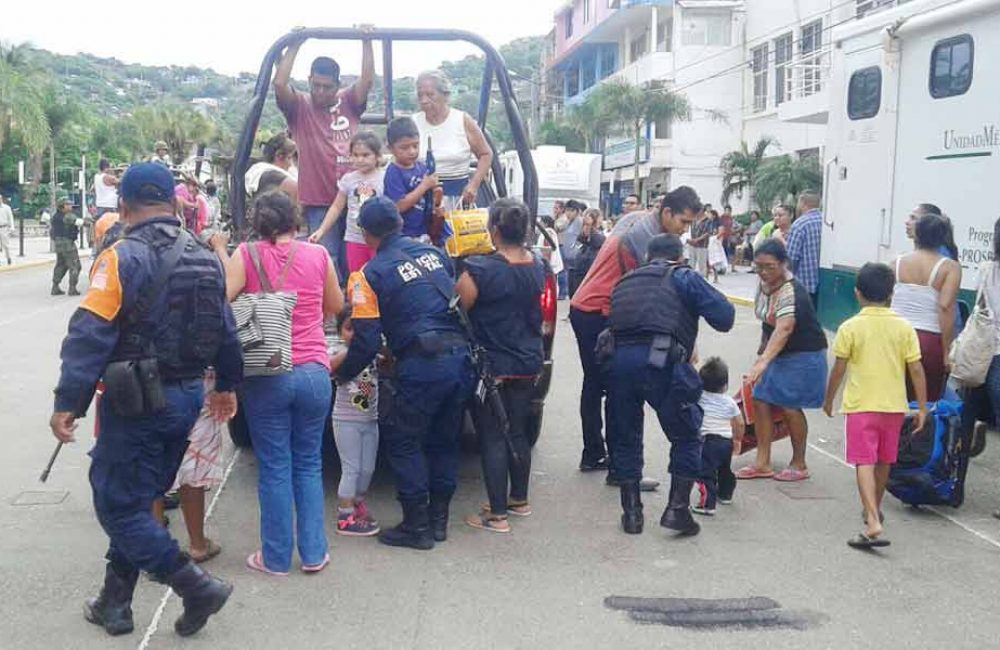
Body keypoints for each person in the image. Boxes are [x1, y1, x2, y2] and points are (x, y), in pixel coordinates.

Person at [49, 162, 242, 638]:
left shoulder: (120, 256)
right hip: (184, 399)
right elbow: (226, 330)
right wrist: (227, 385)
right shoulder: (204, 256)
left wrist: (68, 402)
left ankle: (194, 586)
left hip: (135, 402)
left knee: (117, 505)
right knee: (138, 499)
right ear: (175, 204)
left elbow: (89, 333)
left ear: (125, 206)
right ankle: (114, 603)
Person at [216, 190, 344, 575]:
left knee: (274, 466)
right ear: (297, 220)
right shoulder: (319, 255)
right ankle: (313, 553)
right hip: (313, 371)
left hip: (266, 372)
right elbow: (336, 307)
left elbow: (224, 300)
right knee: (308, 463)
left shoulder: (247, 255)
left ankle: (274, 558)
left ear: (258, 223)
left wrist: (224, 254)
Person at [337, 197, 475, 550]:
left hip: (422, 364)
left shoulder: (366, 275)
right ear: (399, 224)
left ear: (366, 234)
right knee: (444, 440)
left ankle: (416, 526)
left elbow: (366, 340)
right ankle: (439, 522)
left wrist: (342, 375)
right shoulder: (436, 255)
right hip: (461, 359)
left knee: (402, 439)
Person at [605, 233, 736, 536]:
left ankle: (632, 515)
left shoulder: (625, 282)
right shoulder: (683, 276)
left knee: (625, 436)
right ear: (680, 257)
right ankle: (677, 510)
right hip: (662, 362)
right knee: (688, 434)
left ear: (647, 258)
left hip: (620, 365)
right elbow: (725, 317)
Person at [570, 187, 704, 476]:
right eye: (683, 222)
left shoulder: (639, 219)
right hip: (599, 310)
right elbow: (659, 291)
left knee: (596, 385)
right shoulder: (646, 239)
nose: (684, 231)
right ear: (666, 213)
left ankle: (595, 454)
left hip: (587, 306)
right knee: (622, 387)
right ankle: (621, 468)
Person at [454, 198, 546, 533]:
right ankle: (518, 499)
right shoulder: (537, 264)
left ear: (493, 229)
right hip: (527, 360)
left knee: (492, 436)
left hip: (493, 364)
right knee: (517, 430)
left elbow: (459, 307)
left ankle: (496, 515)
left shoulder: (479, 269)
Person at [824, 262, 928, 548]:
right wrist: (921, 407)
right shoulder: (905, 327)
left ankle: (872, 520)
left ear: (857, 293)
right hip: (893, 407)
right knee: (884, 461)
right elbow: (916, 370)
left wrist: (829, 399)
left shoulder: (850, 328)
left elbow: (839, 369)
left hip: (861, 406)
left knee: (864, 461)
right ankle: (874, 507)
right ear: (891, 294)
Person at [274, 31, 375, 279]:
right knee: (327, 259)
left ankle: (355, 311)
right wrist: (295, 44)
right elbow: (279, 84)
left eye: (326, 87)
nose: (320, 92)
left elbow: (367, 81)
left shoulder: (348, 101)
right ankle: (330, 313)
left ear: (337, 85)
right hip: (320, 200)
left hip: (354, 197)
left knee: (357, 259)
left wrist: (366, 40)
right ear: (309, 81)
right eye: (315, 85)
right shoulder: (299, 106)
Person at [736, 238, 828, 481]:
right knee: (760, 400)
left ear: (783, 263)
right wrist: (761, 356)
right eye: (759, 266)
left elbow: (784, 328)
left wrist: (763, 362)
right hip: (778, 352)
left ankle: (799, 464)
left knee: (789, 405)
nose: (764, 272)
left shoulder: (791, 290)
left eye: (770, 266)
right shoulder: (763, 284)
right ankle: (762, 462)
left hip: (803, 354)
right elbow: (768, 324)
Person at [890, 213, 961, 402]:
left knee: (891, 397)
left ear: (917, 234)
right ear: (942, 237)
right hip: (928, 340)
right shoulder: (949, 268)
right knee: (925, 401)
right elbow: (945, 308)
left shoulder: (895, 263)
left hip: (894, 336)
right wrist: (946, 352)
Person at [329, 305, 381, 537]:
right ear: (340, 331)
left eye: (362, 329)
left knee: (367, 468)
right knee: (351, 469)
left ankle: (358, 503)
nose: (355, 334)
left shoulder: (373, 354)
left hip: (370, 419)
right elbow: (329, 366)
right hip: (346, 420)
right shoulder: (339, 352)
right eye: (350, 328)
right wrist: (353, 353)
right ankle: (345, 516)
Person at [413, 70, 492, 211]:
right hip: (420, 200)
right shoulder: (413, 123)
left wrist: (473, 185)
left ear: (445, 95)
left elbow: (486, 154)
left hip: (457, 200)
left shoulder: (462, 120)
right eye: (420, 95)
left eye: (430, 95)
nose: (424, 100)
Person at [171, 369, 227, 563]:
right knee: (194, 462)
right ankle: (197, 544)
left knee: (152, 459)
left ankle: (156, 546)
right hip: (197, 380)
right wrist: (227, 386)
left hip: (148, 379)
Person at [310, 131, 385, 272]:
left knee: (380, 277)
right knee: (357, 279)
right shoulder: (348, 179)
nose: (360, 160)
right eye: (355, 155)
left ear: (378, 156)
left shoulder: (385, 178)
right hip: (354, 239)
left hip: (379, 239)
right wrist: (321, 230)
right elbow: (337, 207)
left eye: (365, 155)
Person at [692, 357, 744, 517]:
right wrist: (737, 440)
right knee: (724, 468)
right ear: (725, 385)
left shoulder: (698, 397)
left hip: (707, 441)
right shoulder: (729, 402)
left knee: (705, 472)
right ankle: (725, 494)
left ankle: (707, 504)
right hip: (725, 441)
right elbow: (740, 423)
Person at [384, 116, 440, 241]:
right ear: (390, 148)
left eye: (415, 146)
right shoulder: (393, 172)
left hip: (424, 231)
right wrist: (424, 186)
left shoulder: (422, 166)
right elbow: (399, 206)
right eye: (404, 148)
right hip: (403, 234)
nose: (412, 152)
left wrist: (435, 192)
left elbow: (431, 197)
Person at [785, 191, 823, 308]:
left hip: (804, 285)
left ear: (803, 203)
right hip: (823, 285)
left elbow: (791, 257)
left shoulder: (800, 224)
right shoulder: (825, 221)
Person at [245, 132, 299, 201]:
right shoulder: (271, 175)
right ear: (280, 156)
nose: (291, 164)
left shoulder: (288, 171)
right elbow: (299, 194)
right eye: (289, 158)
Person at [569, 208, 606, 293]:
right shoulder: (581, 243)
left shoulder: (599, 244)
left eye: (588, 224)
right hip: (577, 287)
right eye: (583, 224)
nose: (585, 228)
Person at [51, 198, 82, 296]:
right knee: (75, 265)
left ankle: (55, 286)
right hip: (67, 244)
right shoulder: (67, 216)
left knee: (61, 265)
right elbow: (79, 222)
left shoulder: (55, 216)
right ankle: (72, 288)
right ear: (62, 206)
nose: (70, 206)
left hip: (58, 243)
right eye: (67, 204)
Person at [557, 200, 585, 297]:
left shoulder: (580, 221)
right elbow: (558, 227)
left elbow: (582, 238)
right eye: (567, 210)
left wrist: (576, 249)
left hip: (575, 257)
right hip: (567, 256)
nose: (568, 213)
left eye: (571, 210)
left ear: (577, 211)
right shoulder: (567, 222)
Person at [688, 208, 714, 277]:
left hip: (702, 245)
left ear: (702, 211)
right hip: (692, 244)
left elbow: (708, 233)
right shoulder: (694, 219)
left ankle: (702, 279)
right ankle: (690, 278)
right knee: (691, 262)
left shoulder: (708, 221)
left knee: (702, 264)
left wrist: (698, 239)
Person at [0, 193, 13, 266]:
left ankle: (8, 258)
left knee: (6, 245)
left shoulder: (6, 208)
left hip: (4, 228)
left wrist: (12, 227)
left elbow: (10, 218)